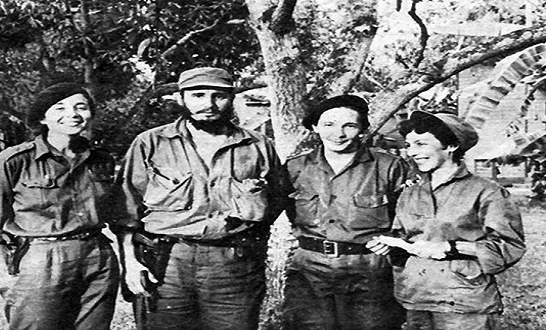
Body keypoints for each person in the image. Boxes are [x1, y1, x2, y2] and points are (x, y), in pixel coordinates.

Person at [112, 67, 288, 330]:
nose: (208, 104)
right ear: (181, 99)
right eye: (198, 95)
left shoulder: (258, 145)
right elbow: (126, 209)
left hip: (234, 264)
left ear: (231, 99)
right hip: (167, 263)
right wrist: (131, 263)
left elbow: (276, 198)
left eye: (219, 96)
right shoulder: (151, 143)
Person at [0, 82, 120, 330]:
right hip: (40, 257)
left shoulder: (101, 160)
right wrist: (7, 271)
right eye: (59, 108)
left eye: (81, 107)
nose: (73, 114)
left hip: (97, 255)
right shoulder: (14, 160)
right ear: (43, 118)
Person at [370, 111, 526, 330]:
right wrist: (391, 245)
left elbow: (509, 246)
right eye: (409, 145)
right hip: (416, 297)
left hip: (464, 303)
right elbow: (402, 238)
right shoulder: (410, 193)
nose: (412, 152)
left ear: (451, 146)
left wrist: (449, 247)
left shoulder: (487, 192)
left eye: (421, 144)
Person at [282, 95, 408, 330]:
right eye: (329, 124)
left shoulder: (389, 166)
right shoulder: (295, 167)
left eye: (349, 125)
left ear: (362, 129)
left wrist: (395, 241)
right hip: (310, 270)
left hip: (369, 268)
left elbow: (412, 217)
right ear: (315, 127)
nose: (338, 134)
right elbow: (278, 208)